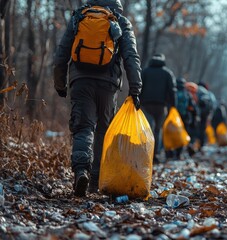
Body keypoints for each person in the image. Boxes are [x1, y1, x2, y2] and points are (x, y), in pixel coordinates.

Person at [53, 0, 142, 197]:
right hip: (108, 85)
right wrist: (135, 88)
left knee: (83, 128)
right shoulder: (120, 21)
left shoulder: (79, 17)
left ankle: (80, 172)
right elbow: (131, 56)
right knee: (103, 130)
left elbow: (62, 52)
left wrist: (60, 84)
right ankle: (94, 181)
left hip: (80, 81)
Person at [140, 53, 176, 163]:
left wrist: (134, 100)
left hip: (145, 105)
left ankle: (144, 154)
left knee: (146, 129)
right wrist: (173, 106)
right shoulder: (167, 73)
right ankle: (154, 155)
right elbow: (172, 90)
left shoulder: (145, 71)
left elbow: (138, 85)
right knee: (157, 130)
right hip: (161, 106)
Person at [166, 77, 197, 160]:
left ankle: (169, 153)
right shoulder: (187, 94)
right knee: (181, 134)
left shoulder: (172, 92)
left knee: (170, 134)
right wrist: (193, 118)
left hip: (171, 118)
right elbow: (193, 107)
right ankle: (178, 154)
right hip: (184, 117)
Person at [197, 82, 216, 150]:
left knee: (195, 129)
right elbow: (213, 105)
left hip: (195, 114)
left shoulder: (194, 90)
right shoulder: (208, 94)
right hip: (204, 115)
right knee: (202, 129)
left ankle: (194, 144)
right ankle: (201, 144)